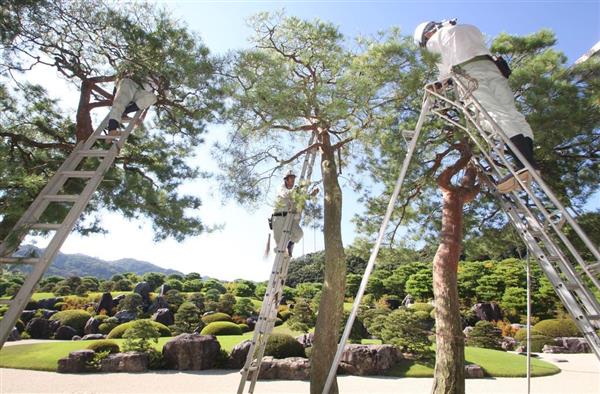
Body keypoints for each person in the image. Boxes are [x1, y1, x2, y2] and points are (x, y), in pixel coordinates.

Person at [414, 20, 538, 193]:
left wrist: (437, 86)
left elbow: (444, 71)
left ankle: (522, 164)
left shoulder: (435, 40)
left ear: (426, 36)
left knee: (491, 114)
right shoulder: (467, 28)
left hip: (469, 74)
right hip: (492, 69)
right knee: (512, 113)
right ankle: (529, 161)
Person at [270, 169, 319, 257]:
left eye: (294, 180)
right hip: (278, 219)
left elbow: (300, 198)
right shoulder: (281, 188)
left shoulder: (293, 192)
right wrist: (299, 188)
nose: (293, 182)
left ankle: (290, 244)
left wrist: (311, 195)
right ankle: (280, 265)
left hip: (289, 219)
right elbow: (287, 194)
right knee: (279, 247)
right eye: (291, 179)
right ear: (286, 179)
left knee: (299, 234)